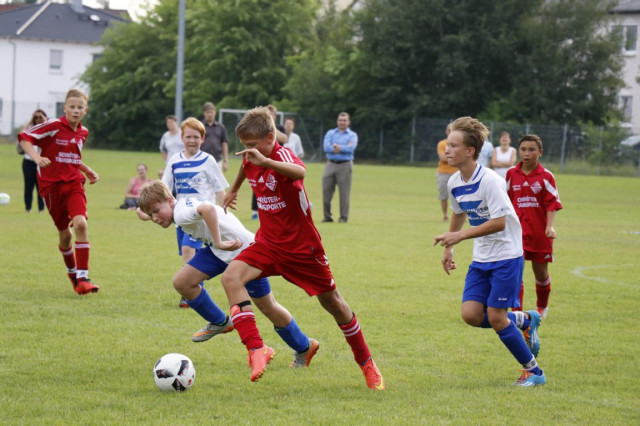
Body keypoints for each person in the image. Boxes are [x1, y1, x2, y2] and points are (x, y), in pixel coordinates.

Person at [221, 107, 385, 390]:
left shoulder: (281, 155)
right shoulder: (251, 157)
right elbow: (246, 165)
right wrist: (234, 188)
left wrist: (267, 161)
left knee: (334, 304)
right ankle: (256, 349)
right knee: (230, 277)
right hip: (269, 244)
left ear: (271, 137)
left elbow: (300, 170)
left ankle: (367, 363)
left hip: (302, 249)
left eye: (252, 145)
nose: (247, 152)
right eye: (244, 146)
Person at [138, 181, 320, 367]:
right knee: (182, 282)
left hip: (243, 252)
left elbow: (208, 208)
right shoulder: (180, 208)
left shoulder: (181, 213)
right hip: (220, 252)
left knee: (268, 307)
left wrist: (218, 241)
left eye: (156, 211)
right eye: (150, 215)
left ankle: (305, 347)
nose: (155, 218)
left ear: (170, 201)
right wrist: (217, 244)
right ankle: (220, 322)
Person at [433, 116, 545, 387]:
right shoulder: (454, 182)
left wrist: (460, 236)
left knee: (496, 318)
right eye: (448, 144)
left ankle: (534, 371)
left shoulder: (491, 181)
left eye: (453, 146)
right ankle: (524, 319)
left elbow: (499, 222)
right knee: (471, 315)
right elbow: (459, 213)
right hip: (482, 257)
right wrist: (450, 247)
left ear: (470, 151)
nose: (447, 150)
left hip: (506, 255)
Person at [18, 89, 100, 295]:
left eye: (79, 108)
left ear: (85, 110)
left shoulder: (83, 132)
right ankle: (72, 273)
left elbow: (71, 156)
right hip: (51, 186)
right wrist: (37, 159)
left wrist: (87, 170)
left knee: (81, 223)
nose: (75, 111)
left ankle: (83, 277)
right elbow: (24, 138)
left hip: (73, 183)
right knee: (65, 233)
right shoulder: (53, 126)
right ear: (65, 108)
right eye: (71, 107)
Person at [159, 117, 228, 308]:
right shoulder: (175, 160)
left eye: (196, 137)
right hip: (181, 216)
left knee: (189, 250)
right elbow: (165, 187)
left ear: (202, 139)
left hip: (201, 216)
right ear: (182, 138)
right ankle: (194, 287)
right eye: (188, 136)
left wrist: (224, 211)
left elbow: (219, 188)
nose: (192, 140)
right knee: (188, 252)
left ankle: (189, 292)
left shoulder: (208, 160)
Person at [506, 134, 562, 319]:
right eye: (523, 149)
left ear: (540, 152)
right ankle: (517, 313)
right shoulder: (511, 174)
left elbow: (552, 204)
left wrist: (550, 227)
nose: (527, 153)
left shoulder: (546, 176)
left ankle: (541, 309)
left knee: (541, 273)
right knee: (516, 273)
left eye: (531, 150)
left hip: (539, 234)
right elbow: (504, 201)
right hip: (516, 234)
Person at [250, 104, 288, 220]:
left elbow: (284, 139)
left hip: (277, 161)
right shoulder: (259, 130)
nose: (271, 116)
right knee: (259, 184)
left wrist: (272, 127)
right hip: (261, 160)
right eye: (268, 114)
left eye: (273, 114)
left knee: (277, 185)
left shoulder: (279, 128)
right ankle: (255, 211)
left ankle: (280, 207)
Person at [322, 112, 358, 223]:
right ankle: (327, 216)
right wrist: (342, 147)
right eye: (340, 120)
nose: (342, 122)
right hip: (330, 164)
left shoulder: (352, 135)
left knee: (344, 193)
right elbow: (326, 147)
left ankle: (343, 217)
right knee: (326, 191)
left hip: (345, 165)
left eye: (344, 120)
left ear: (348, 122)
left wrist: (337, 147)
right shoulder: (330, 133)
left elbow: (350, 149)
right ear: (337, 121)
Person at [18, 109, 48, 213]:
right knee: (28, 185)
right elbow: (21, 135)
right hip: (28, 161)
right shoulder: (29, 130)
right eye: (36, 117)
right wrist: (31, 120)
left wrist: (44, 119)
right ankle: (28, 208)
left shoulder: (46, 130)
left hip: (42, 162)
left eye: (40, 117)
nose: (38, 119)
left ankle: (41, 209)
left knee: (41, 186)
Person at [201, 102, 229, 172]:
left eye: (211, 112)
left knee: (216, 182)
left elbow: (224, 144)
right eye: (207, 112)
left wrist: (225, 161)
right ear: (204, 113)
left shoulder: (221, 127)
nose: (210, 114)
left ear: (215, 112)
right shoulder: (200, 126)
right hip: (202, 159)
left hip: (217, 160)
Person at [436, 123, 456, 221]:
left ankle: (456, 216)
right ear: (446, 131)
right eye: (449, 130)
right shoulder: (442, 144)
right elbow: (442, 157)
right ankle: (445, 215)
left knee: (458, 196)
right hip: (443, 172)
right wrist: (455, 158)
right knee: (443, 195)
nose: (450, 132)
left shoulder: (459, 144)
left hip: (457, 173)